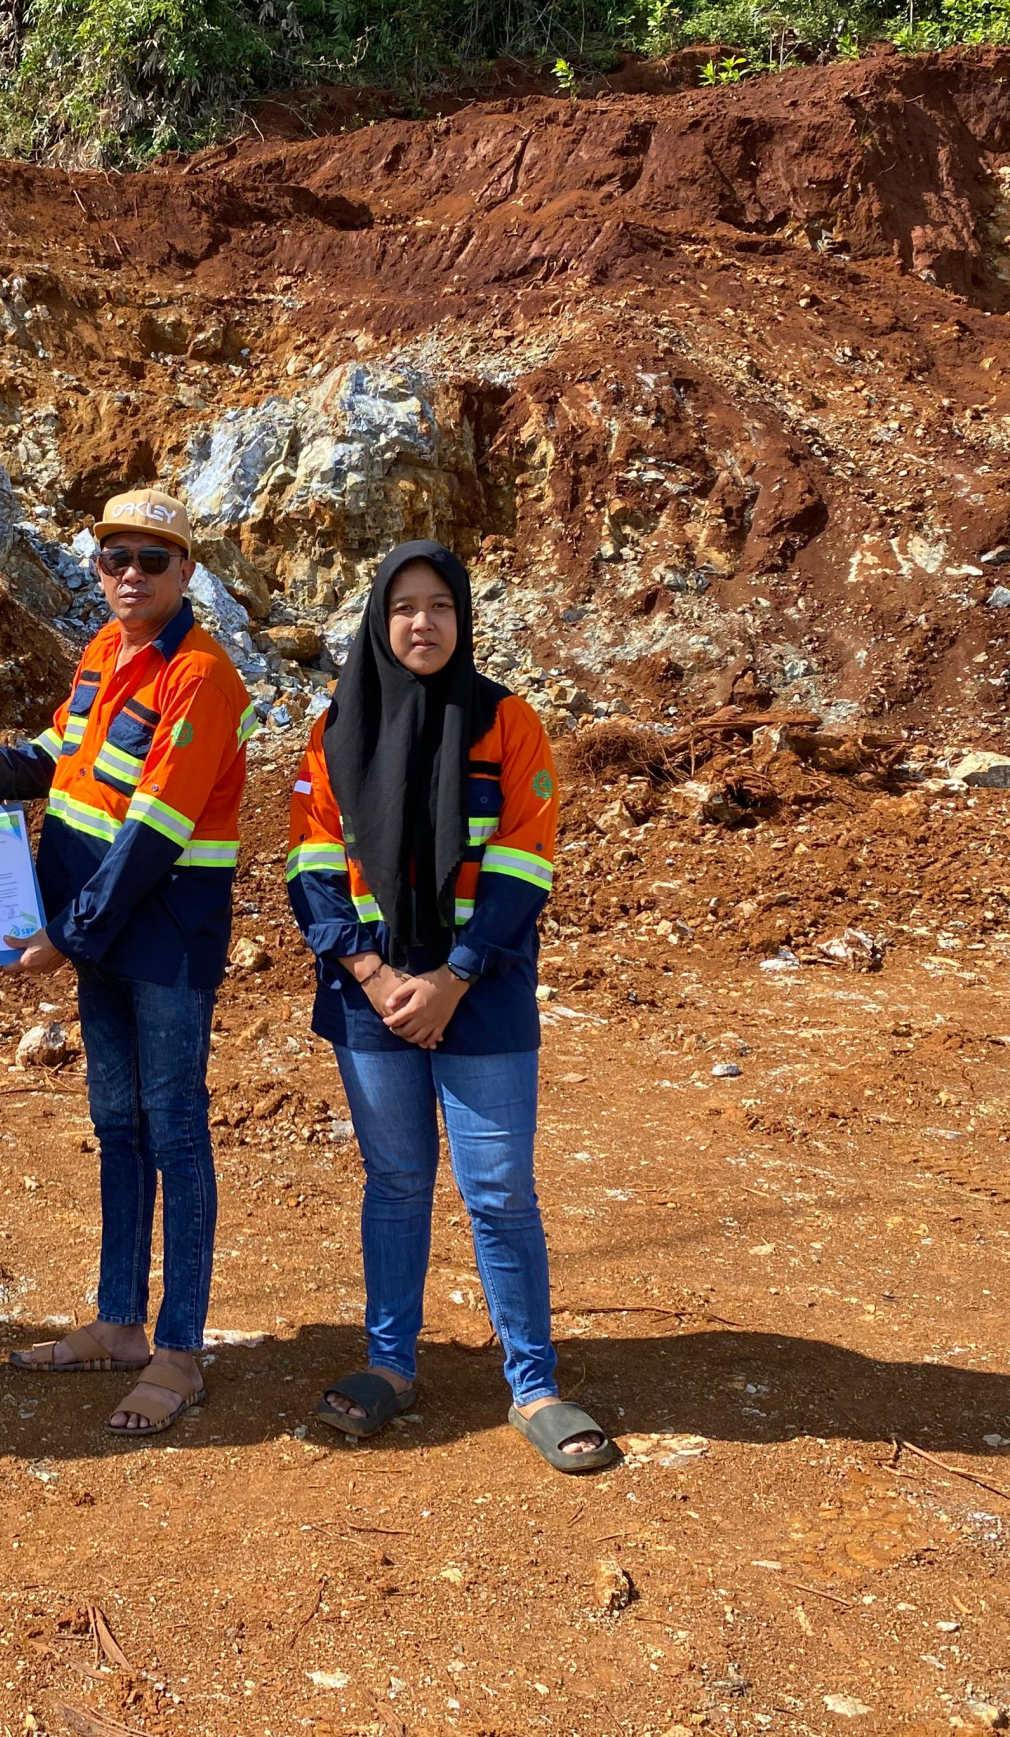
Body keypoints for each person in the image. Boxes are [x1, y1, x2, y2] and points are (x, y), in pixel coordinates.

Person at [284, 540, 618, 1474]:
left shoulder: (507, 721)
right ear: (378, 622)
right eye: (403, 608)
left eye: (440, 605)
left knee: (499, 1189)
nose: (422, 623)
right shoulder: (334, 728)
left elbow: (525, 860)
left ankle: (534, 1384)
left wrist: (452, 978)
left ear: (463, 620)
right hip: (373, 997)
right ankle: (390, 1366)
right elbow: (310, 862)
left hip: (481, 989)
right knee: (395, 1181)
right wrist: (369, 971)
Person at [0, 487, 251, 1437]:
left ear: (186, 571)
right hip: (102, 931)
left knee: (175, 1132)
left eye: (152, 559)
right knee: (118, 1125)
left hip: (160, 937)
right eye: (115, 557)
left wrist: (69, 934)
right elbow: (63, 754)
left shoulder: (201, 677)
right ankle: (121, 1323)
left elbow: (157, 830)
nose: (131, 574)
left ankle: (180, 1349)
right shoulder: (104, 652)